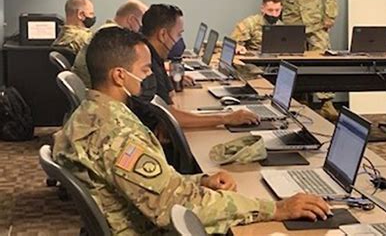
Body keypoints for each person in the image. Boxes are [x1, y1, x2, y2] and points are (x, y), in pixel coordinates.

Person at [52, 27, 332, 234]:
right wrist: (276, 208)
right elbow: (169, 208)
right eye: (145, 69)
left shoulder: (86, 115)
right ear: (119, 75)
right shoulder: (119, 135)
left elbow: (156, 185)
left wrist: (201, 181)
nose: (151, 75)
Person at [138, 4, 259, 128]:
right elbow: (172, 116)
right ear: (163, 35)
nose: (179, 39)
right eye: (179, 34)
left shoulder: (152, 53)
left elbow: (167, 97)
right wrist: (226, 117)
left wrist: (171, 81)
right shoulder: (148, 61)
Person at [267, 0, 339, 121]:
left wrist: (330, 15)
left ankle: (326, 104)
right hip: (292, 25)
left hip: (316, 23)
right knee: (295, 65)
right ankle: (300, 100)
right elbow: (273, 0)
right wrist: (274, 24)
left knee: (322, 62)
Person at [72, 0, 148, 88]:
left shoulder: (107, 32)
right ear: (132, 20)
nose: (143, 31)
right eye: (143, 26)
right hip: (93, 91)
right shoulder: (115, 39)